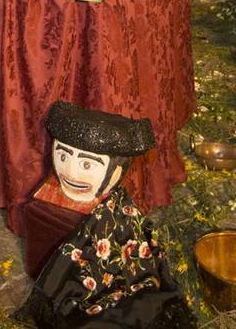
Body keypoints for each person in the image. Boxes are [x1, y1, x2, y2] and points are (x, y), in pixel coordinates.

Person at [16, 101, 194, 328]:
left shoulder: (121, 217)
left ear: (116, 173)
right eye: (62, 156)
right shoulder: (45, 201)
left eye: (87, 165)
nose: (70, 171)